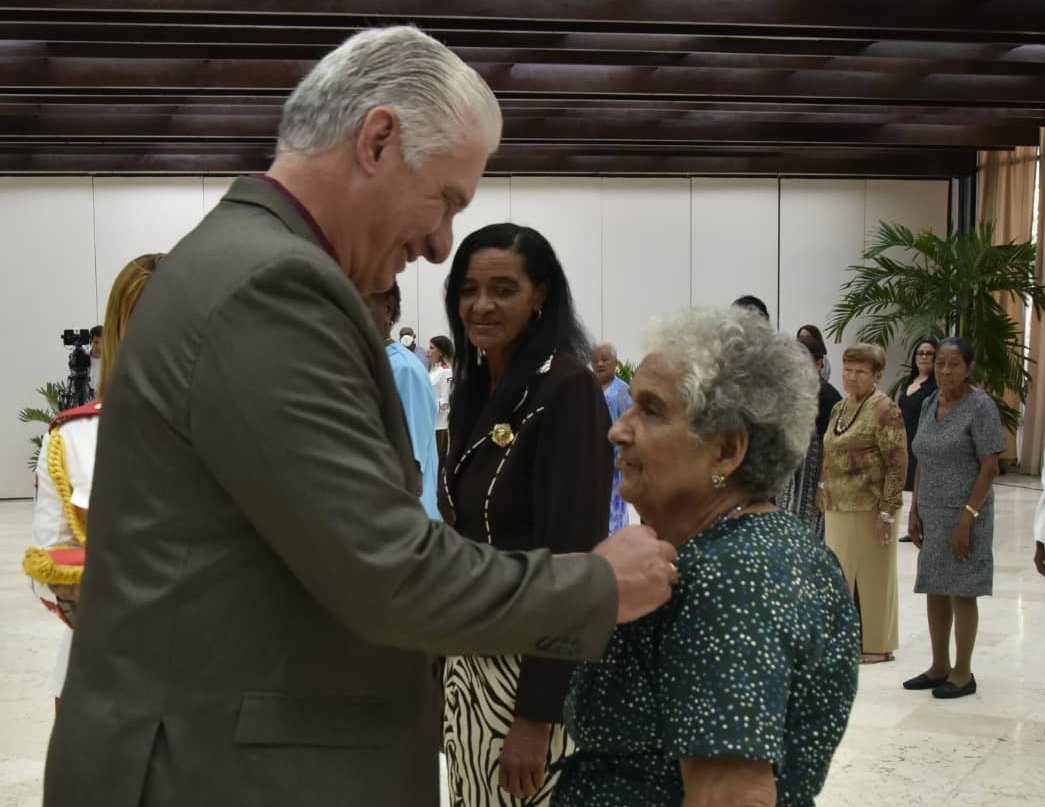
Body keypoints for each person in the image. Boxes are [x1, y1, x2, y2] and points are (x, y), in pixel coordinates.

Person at [43, 27, 677, 807]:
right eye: (445, 199)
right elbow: (387, 572)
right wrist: (598, 584)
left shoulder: (243, 260)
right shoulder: (273, 286)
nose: (443, 244)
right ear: (378, 140)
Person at [553, 307, 860, 807]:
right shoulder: (767, 546)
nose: (618, 430)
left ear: (726, 452)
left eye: (651, 411)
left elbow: (731, 794)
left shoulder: (729, 579)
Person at [439, 222, 613, 806]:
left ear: (540, 295)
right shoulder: (477, 385)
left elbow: (573, 563)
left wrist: (536, 717)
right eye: (468, 288)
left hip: (529, 678)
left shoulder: (567, 389)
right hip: (471, 668)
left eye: (503, 289)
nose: (481, 305)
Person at [23, 255, 160, 709]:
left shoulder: (236, 427)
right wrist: (74, 586)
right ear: (121, 327)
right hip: (104, 674)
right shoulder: (73, 438)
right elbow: (50, 559)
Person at [905, 336, 1005, 698]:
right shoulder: (931, 401)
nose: (945, 370)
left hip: (967, 512)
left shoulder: (980, 406)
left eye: (953, 365)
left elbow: (990, 467)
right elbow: (924, 459)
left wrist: (968, 518)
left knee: (962, 591)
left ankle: (963, 673)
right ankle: (938, 665)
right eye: (940, 364)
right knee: (934, 587)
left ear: (968, 368)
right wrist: (915, 509)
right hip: (931, 510)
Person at [820, 343, 908, 664]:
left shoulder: (885, 410)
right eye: (847, 370)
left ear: (877, 375)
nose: (851, 377)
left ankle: (877, 643)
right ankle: (847, 637)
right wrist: (821, 484)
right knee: (840, 573)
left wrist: (888, 509)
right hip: (839, 504)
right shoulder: (840, 408)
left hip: (872, 505)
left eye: (860, 372)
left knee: (874, 575)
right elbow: (830, 449)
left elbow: (898, 462)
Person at [365, 281, 440, 518]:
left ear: (388, 308)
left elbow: (409, 464)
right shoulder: (371, 362)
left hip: (407, 522)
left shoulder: (402, 369)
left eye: (359, 301)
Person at [778, 332, 841, 540]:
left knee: (811, 530)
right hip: (790, 472)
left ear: (819, 362)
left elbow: (831, 444)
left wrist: (822, 484)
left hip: (814, 473)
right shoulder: (790, 390)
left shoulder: (828, 394)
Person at [896, 338, 938, 541]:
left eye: (929, 353)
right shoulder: (910, 383)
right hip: (905, 439)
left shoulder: (935, 387)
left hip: (922, 440)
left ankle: (924, 526)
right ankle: (913, 525)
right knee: (911, 485)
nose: (923, 357)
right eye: (920, 353)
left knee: (922, 486)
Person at [592, 342, 632, 533]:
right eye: (596, 360)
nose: (599, 364)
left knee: (614, 499)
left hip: (615, 456)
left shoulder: (622, 391)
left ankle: (615, 534)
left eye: (605, 359)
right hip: (592, 454)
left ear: (615, 363)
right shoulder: (589, 387)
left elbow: (630, 425)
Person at [427, 334, 454, 468]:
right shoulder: (434, 369)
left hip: (440, 424)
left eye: (432, 348)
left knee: (438, 464)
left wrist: (428, 407)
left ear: (441, 351)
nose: (428, 351)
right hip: (430, 422)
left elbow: (445, 399)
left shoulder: (446, 371)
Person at [88, 324, 103, 393]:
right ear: (90, 342)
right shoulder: (82, 362)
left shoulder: (112, 363)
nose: (99, 346)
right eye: (96, 342)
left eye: (102, 342)